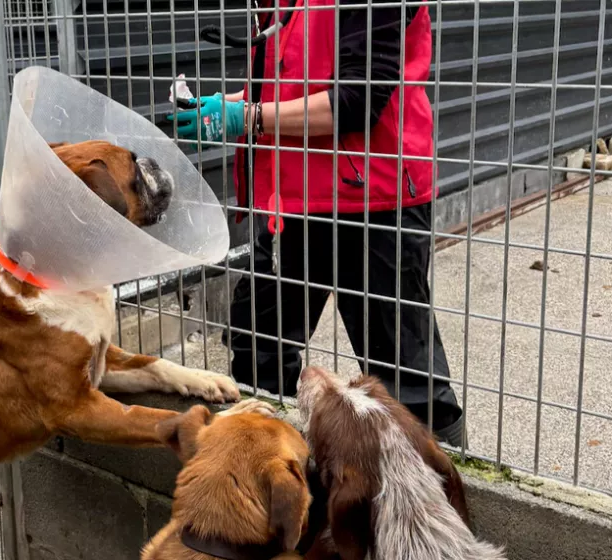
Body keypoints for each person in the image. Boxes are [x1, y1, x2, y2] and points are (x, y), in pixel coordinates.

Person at [170, 0, 464, 445]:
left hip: (375, 204)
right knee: (256, 348)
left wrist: (243, 118)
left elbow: (356, 101)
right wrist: (219, 107)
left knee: (406, 381)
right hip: (294, 202)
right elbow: (286, 86)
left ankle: (448, 484)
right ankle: (277, 464)